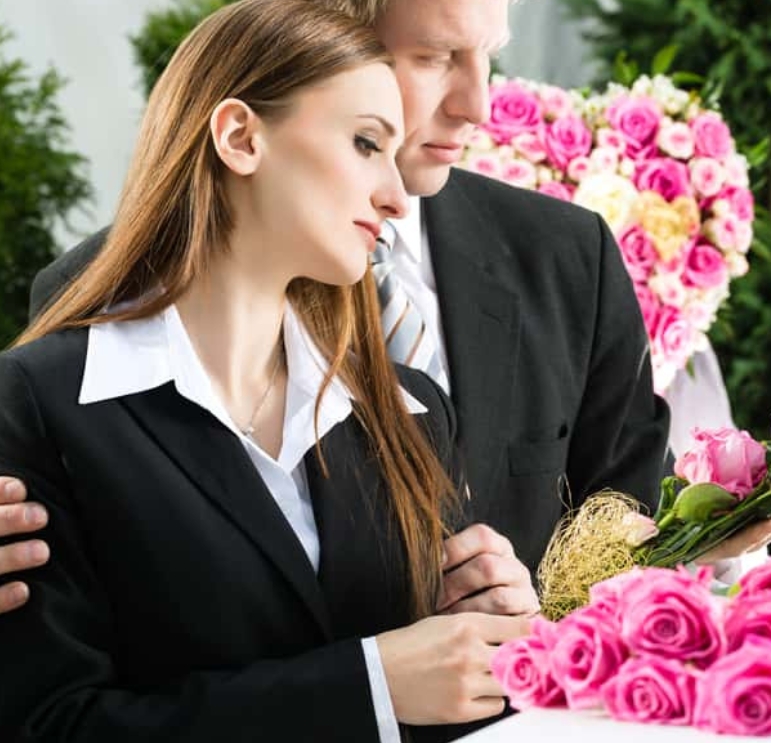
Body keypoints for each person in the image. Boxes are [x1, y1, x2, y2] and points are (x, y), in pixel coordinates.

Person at [2, 0, 771, 616]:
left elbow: (622, 512)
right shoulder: (107, 298)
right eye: (435, 57)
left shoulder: (566, 255)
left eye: (489, 55)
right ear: (331, 38)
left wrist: (717, 521)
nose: (478, 104)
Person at [0, 1, 532, 739]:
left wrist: (503, 639)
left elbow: (452, 704)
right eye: (365, 143)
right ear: (241, 136)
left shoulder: (411, 412)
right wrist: (366, 685)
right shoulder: (39, 403)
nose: (395, 194)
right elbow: (49, 725)